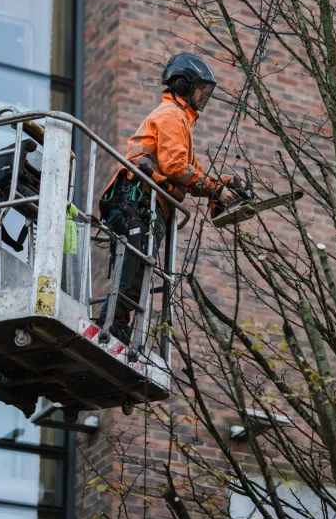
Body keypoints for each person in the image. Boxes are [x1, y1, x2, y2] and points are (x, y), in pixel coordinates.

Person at [95, 54, 238, 344]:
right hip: (136, 199)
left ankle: (117, 325)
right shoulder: (172, 115)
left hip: (144, 203)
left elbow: (189, 170)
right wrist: (215, 190)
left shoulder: (180, 122)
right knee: (132, 269)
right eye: (200, 89)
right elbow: (175, 167)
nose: (202, 97)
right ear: (182, 85)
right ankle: (112, 326)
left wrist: (220, 184)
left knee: (137, 270)